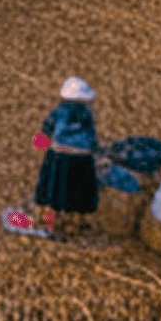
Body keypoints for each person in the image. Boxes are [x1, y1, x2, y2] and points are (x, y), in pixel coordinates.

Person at [29, 76, 100, 235]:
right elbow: (92, 136)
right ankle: (76, 221)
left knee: (55, 187)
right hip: (83, 155)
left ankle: (50, 220)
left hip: (60, 153)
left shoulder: (59, 110)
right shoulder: (86, 113)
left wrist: (40, 142)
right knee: (78, 188)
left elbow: (47, 128)